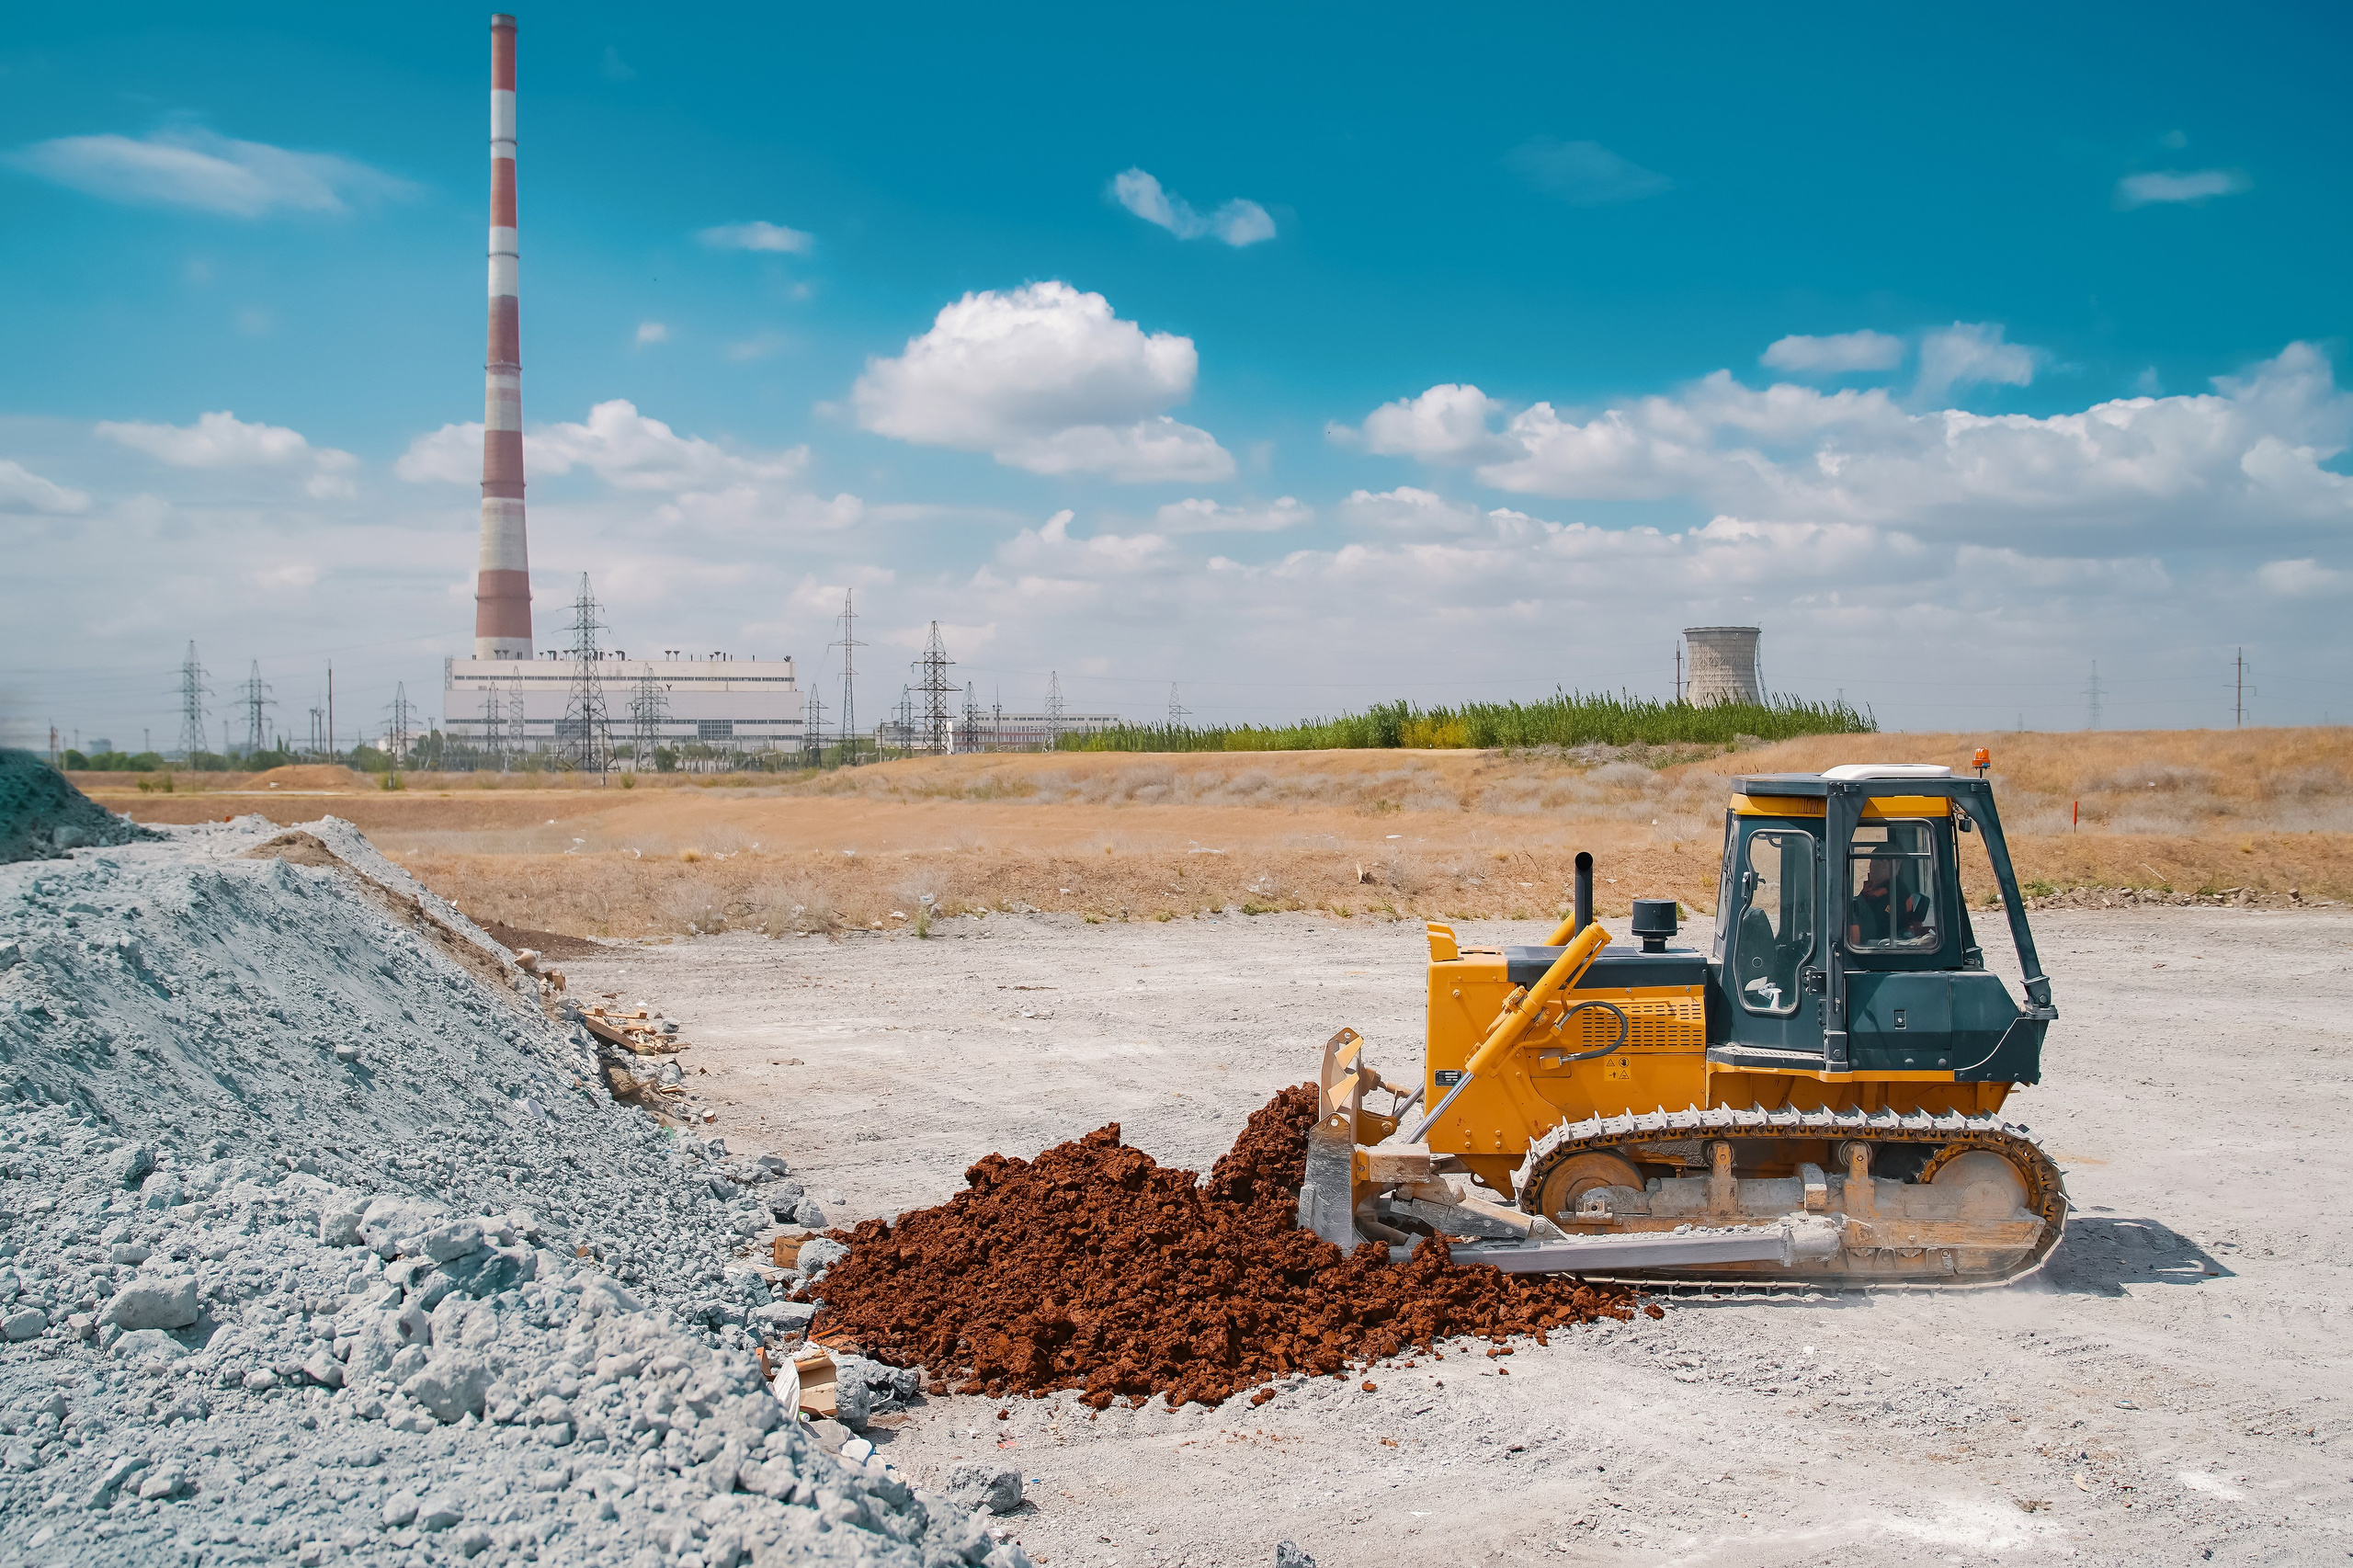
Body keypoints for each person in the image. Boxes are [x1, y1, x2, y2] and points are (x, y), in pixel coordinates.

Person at [1849, 856, 1929, 946]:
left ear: (1895, 866)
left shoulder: (1896, 892)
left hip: (1880, 944)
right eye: (1871, 862)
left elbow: (1883, 924)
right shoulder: (1871, 888)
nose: (1872, 867)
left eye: (1881, 864)